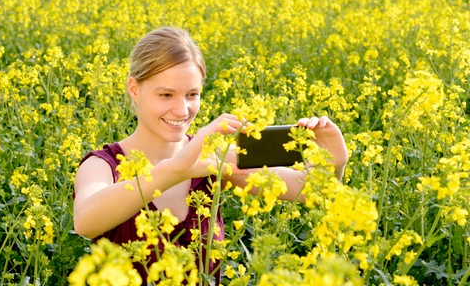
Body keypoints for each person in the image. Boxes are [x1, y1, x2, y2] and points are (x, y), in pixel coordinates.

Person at [73, 27, 348, 283]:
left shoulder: (213, 159)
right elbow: (86, 221)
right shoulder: (103, 165)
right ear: (135, 89)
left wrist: (333, 160)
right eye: (166, 95)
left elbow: (310, 191)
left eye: (192, 95)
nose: (182, 111)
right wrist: (176, 169)